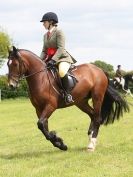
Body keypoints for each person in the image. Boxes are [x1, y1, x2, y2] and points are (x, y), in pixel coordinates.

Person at [40, 12, 77, 104]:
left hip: (62, 58)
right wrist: (39, 61)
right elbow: (44, 51)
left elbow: (61, 48)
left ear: (51, 22)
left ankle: (68, 94)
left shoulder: (59, 32)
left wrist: (53, 60)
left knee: (61, 71)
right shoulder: (45, 35)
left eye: (44, 22)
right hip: (49, 59)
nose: (43, 24)